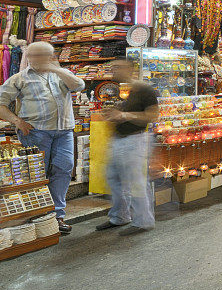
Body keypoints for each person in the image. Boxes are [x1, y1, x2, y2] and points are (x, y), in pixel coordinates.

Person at [0, 41, 85, 234]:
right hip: (36, 132)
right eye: (35, 55)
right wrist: (17, 121)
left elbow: (79, 85)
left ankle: (57, 216)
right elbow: (1, 103)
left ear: (51, 56)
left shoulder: (61, 76)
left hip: (64, 131)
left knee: (64, 169)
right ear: (28, 57)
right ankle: (38, 216)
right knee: (38, 174)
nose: (39, 59)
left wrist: (57, 69)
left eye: (44, 55)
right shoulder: (19, 79)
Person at [96, 58, 158, 235]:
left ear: (130, 69)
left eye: (118, 67)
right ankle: (120, 216)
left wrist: (124, 115)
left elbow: (152, 115)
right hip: (119, 139)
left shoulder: (144, 89)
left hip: (135, 140)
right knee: (114, 178)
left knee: (136, 181)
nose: (114, 70)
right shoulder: (120, 90)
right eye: (113, 67)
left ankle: (143, 221)